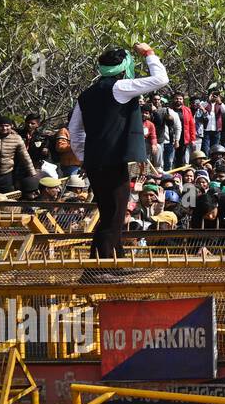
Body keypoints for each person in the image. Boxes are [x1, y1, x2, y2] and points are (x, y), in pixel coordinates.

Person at [67, 43, 169, 264]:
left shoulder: (86, 95)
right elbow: (161, 79)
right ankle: (103, 267)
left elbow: (74, 131)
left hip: (94, 163)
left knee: (108, 215)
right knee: (114, 216)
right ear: (123, 68)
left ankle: (113, 261)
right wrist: (149, 54)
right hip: (113, 162)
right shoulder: (120, 87)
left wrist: (86, 157)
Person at [0, 117, 33, 194]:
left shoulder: (16, 138)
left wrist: (32, 172)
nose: (4, 128)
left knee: (7, 199)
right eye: (1, 126)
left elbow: (25, 156)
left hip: (7, 175)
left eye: (7, 126)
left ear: (11, 126)